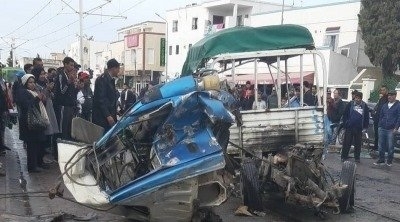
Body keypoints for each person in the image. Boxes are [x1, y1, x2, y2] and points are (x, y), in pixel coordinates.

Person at [17, 74, 49, 173]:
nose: (32, 84)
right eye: (30, 82)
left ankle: (39, 163)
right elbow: (26, 105)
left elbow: (40, 105)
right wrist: (37, 98)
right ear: (25, 83)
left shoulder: (34, 92)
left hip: (37, 122)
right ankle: (32, 166)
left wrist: (42, 99)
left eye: (33, 82)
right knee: (32, 145)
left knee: (39, 143)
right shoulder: (22, 92)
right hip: (29, 123)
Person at [92, 58, 121, 133]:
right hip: (102, 118)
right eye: (118, 68)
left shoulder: (111, 80)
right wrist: (108, 116)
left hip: (110, 115)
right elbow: (101, 100)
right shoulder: (102, 79)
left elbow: (111, 99)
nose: (119, 71)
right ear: (113, 68)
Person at [341, 91, 369, 163]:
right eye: (356, 98)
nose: (357, 99)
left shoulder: (364, 106)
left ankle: (357, 158)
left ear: (361, 99)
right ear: (354, 98)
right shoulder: (350, 104)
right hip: (350, 127)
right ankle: (344, 156)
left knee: (358, 144)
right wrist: (346, 124)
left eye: (359, 98)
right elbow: (345, 115)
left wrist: (365, 127)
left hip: (359, 128)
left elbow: (366, 117)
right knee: (347, 143)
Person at [374, 90, 400, 167]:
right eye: (389, 95)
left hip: (391, 129)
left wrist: (396, 127)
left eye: (391, 95)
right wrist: (379, 125)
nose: (389, 97)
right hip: (382, 128)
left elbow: (399, 117)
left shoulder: (398, 105)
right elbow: (381, 115)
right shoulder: (385, 105)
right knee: (381, 145)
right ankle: (381, 159)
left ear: (395, 96)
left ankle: (389, 161)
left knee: (390, 146)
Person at [54, 57, 78, 140]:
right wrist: (68, 82)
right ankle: (59, 147)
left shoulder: (70, 75)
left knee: (69, 128)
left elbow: (72, 92)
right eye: (71, 65)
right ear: (65, 64)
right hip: (63, 106)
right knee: (62, 128)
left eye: (73, 66)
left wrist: (77, 87)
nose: (72, 67)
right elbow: (62, 92)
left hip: (70, 106)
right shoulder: (61, 75)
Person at [372, 85, 388, 151]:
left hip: (382, 120)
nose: (382, 91)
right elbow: (377, 109)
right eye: (381, 90)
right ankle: (376, 147)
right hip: (377, 119)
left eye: (383, 90)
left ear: (387, 90)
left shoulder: (387, 99)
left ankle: (381, 148)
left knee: (381, 135)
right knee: (376, 134)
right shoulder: (381, 99)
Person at [0, 77, 12, 155]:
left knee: (2, 129)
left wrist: (5, 110)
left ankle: (2, 146)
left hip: (1, 110)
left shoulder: (2, 82)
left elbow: (3, 98)